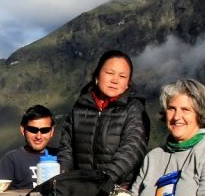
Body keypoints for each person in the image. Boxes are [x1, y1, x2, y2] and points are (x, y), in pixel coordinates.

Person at [57, 49, 150, 187]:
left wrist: (104, 179)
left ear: (127, 84)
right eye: (109, 73)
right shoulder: (80, 107)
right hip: (81, 187)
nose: (115, 80)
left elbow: (132, 150)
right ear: (97, 75)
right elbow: (67, 148)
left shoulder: (134, 109)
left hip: (119, 189)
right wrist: (62, 179)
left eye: (122, 76)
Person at [0, 104, 56, 190]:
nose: (38, 136)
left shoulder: (63, 157)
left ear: (52, 131)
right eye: (33, 130)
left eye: (44, 130)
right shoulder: (12, 159)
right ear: (23, 130)